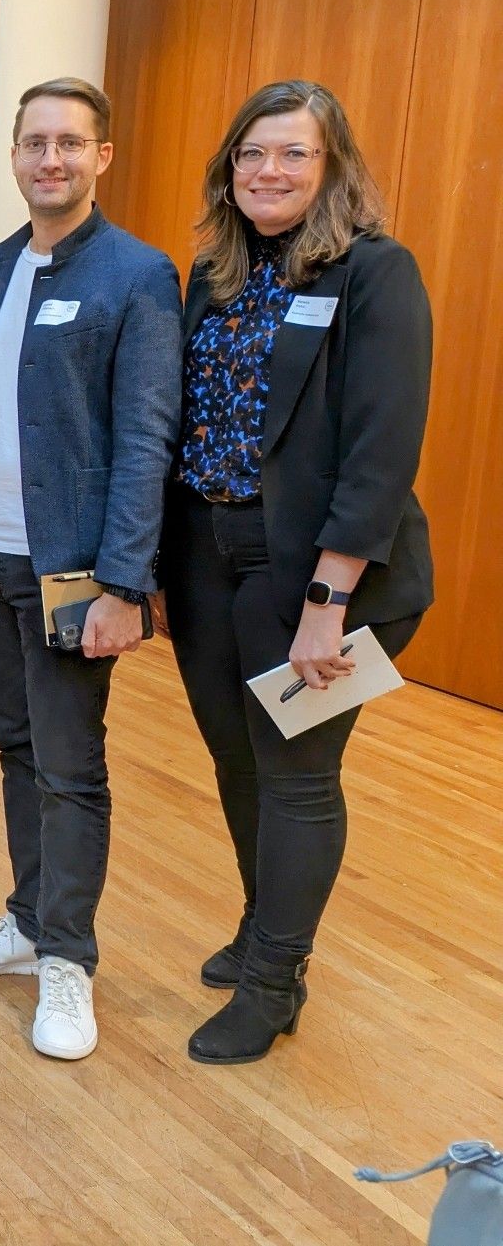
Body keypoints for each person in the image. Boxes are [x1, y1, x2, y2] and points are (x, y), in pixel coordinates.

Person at [162, 80, 432, 1065]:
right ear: (226, 172)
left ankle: (274, 981)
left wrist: (327, 599)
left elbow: (380, 445)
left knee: (296, 772)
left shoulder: (373, 273)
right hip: (202, 555)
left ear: (329, 169)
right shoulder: (212, 275)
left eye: (292, 154)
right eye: (250, 154)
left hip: (313, 574)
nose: (267, 171)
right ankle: (257, 924)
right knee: (235, 758)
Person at [0, 77, 182, 1061]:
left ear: (100, 156)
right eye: (33, 142)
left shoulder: (134, 274)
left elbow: (144, 434)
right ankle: (27, 919)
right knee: (15, 747)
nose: (48, 159)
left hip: (70, 571)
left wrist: (123, 583)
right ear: (14, 152)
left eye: (68, 143)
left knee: (70, 764)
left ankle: (66, 957)